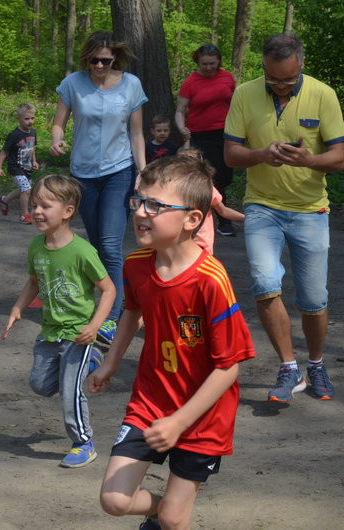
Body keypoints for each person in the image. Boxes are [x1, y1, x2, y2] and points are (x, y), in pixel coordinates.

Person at [88, 155, 254, 530]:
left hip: (203, 417)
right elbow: (132, 310)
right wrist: (111, 362)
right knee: (114, 500)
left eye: (155, 205)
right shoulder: (136, 264)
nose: (140, 212)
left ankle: (166, 517)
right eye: (138, 201)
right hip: (150, 402)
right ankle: (159, 513)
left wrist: (180, 421)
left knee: (174, 520)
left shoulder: (211, 280)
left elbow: (228, 367)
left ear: (192, 220)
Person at [223, 33, 344, 402]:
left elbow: (340, 158)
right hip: (261, 206)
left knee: (314, 299)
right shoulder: (244, 94)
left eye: (289, 79)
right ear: (263, 66)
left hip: (310, 210)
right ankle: (288, 366)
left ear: (302, 65)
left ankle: (316, 364)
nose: (280, 86)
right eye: (273, 78)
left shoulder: (323, 94)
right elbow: (231, 155)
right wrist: (263, 154)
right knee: (265, 283)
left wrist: (309, 160)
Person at [2, 175, 116, 468]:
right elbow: (33, 282)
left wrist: (94, 326)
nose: (37, 211)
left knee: (69, 391)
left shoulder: (82, 251)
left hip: (78, 333)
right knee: (40, 385)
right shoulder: (36, 247)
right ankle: (91, 362)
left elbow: (108, 290)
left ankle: (83, 443)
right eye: (35, 205)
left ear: (67, 211)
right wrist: (17, 307)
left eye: (46, 206)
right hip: (49, 331)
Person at [50, 30, 148, 347]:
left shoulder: (131, 85)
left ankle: (111, 318)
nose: (100, 66)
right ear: (86, 59)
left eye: (106, 60)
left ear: (114, 58)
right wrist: (56, 140)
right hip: (83, 174)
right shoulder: (73, 84)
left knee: (109, 244)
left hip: (118, 171)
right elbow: (58, 123)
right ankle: (107, 301)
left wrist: (143, 170)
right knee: (96, 247)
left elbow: (136, 133)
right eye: (94, 60)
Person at [175, 43, 237, 236]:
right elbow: (180, 110)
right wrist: (182, 128)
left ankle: (211, 209)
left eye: (212, 63)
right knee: (214, 176)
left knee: (226, 176)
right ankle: (223, 221)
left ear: (218, 61)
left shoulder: (227, 77)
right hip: (201, 135)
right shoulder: (191, 82)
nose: (209, 67)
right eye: (205, 64)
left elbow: (237, 103)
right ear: (198, 62)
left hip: (226, 133)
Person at [176, 147, 244, 255]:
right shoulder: (171, 188)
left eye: (190, 161)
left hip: (201, 245)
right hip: (178, 244)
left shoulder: (206, 188)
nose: (186, 165)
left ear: (199, 166)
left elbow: (223, 211)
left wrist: (247, 218)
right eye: (181, 161)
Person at [0, 102, 39, 224]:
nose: (30, 121)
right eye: (26, 119)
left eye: (32, 118)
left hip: (27, 167)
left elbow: (32, 148)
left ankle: (4, 200)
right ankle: (24, 215)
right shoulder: (14, 135)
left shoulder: (33, 132)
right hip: (15, 167)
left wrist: (34, 161)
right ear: (18, 119)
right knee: (26, 190)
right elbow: (4, 151)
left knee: (24, 190)